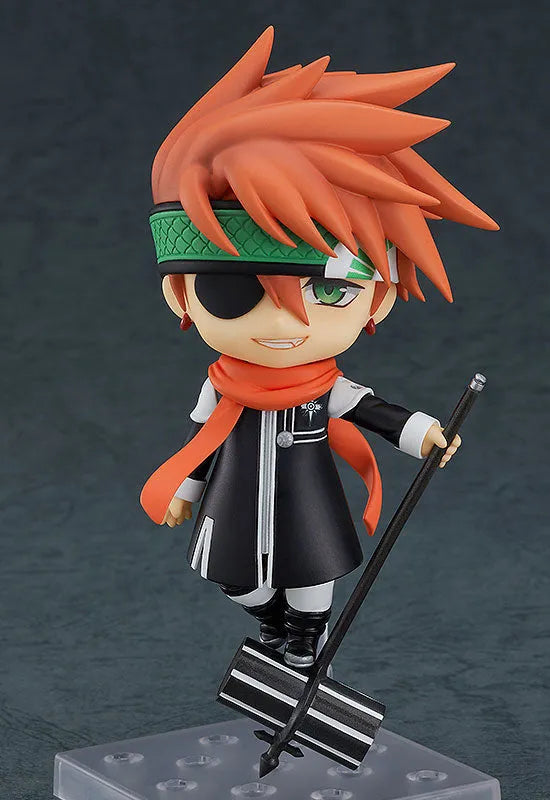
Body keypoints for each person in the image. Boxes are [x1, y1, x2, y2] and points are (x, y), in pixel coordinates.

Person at [140, 27, 498, 668]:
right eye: (234, 292)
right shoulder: (220, 385)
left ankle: (304, 641)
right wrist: (186, 489)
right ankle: (273, 623)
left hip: (308, 501)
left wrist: (423, 433)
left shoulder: (324, 388)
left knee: (313, 571)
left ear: (378, 302)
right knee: (234, 578)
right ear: (180, 296)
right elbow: (203, 441)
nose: (287, 321)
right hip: (235, 500)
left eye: (329, 293)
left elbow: (374, 412)